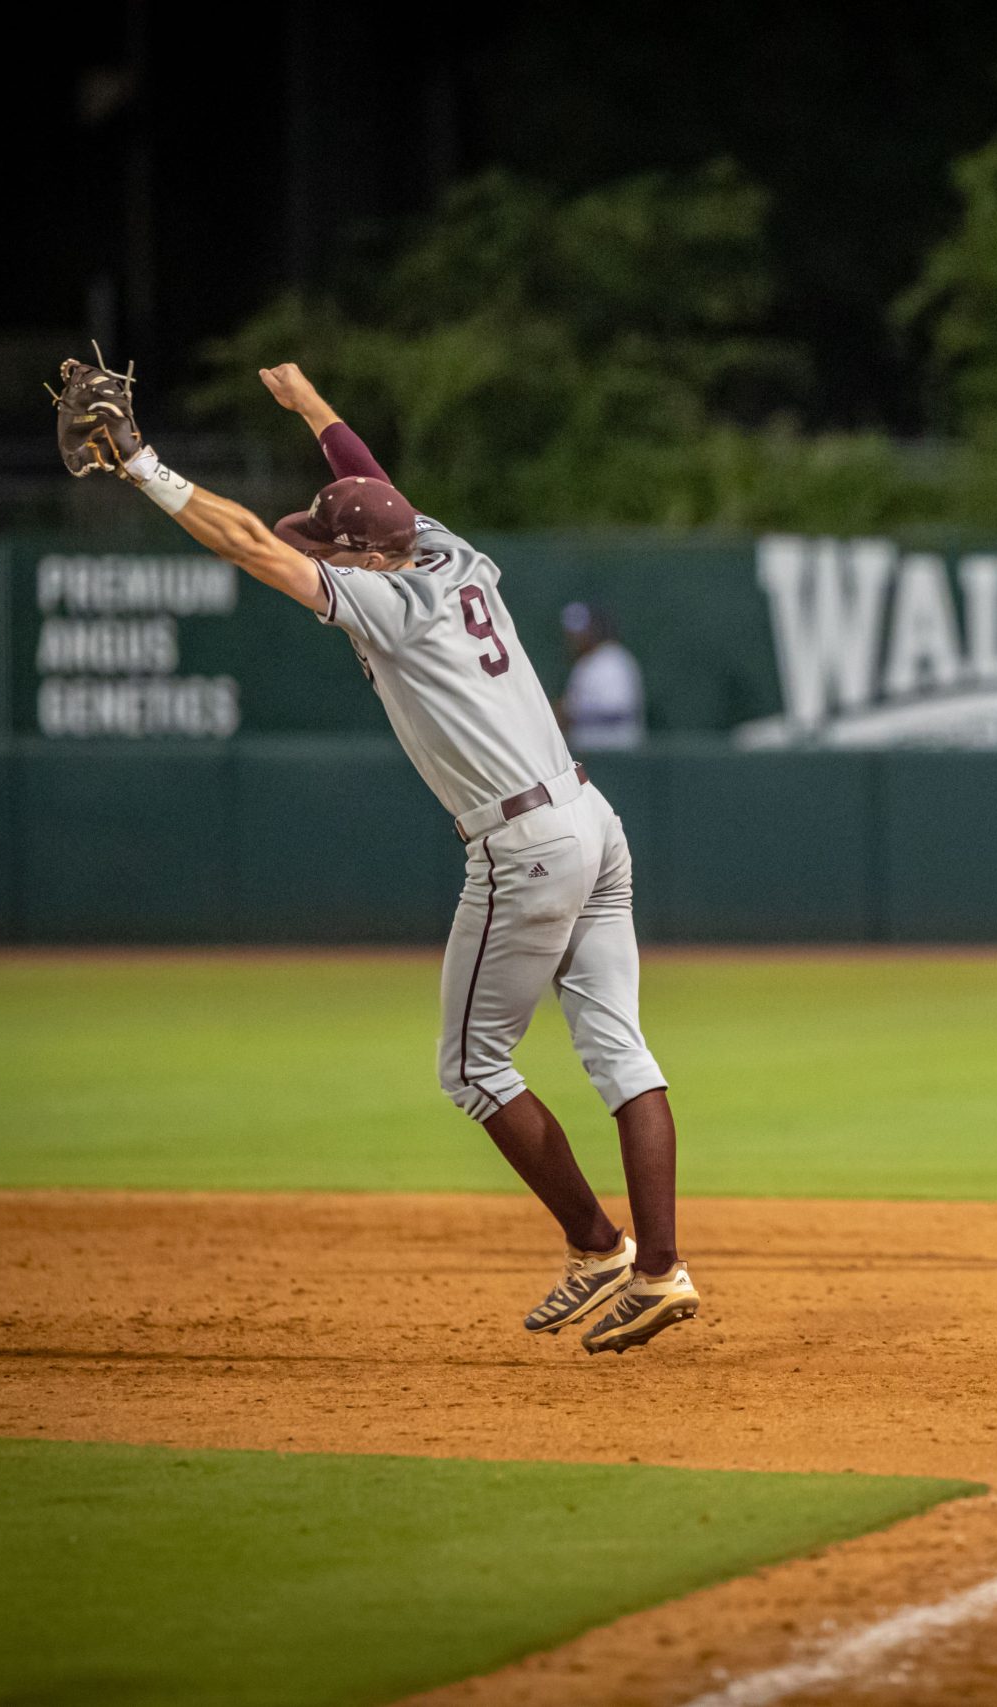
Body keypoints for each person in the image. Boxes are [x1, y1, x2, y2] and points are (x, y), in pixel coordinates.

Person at [47, 351, 697, 1352]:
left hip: (523, 841)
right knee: (620, 1051)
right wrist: (313, 409)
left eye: (334, 549)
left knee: (474, 1068)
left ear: (367, 558)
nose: (324, 559)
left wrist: (140, 463)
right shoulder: (449, 554)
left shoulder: (393, 603)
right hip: (590, 817)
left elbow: (253, 549)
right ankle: (656, 1268)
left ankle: (600, 1246)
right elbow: (375, 488)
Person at [557, 602, 646, 750]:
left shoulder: (612, 659)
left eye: (581, 631)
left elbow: (617, 713)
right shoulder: (586, 662)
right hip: (592, 756)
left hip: (616, 756)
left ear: (594, 630)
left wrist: (570, 714)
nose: (574, 638)